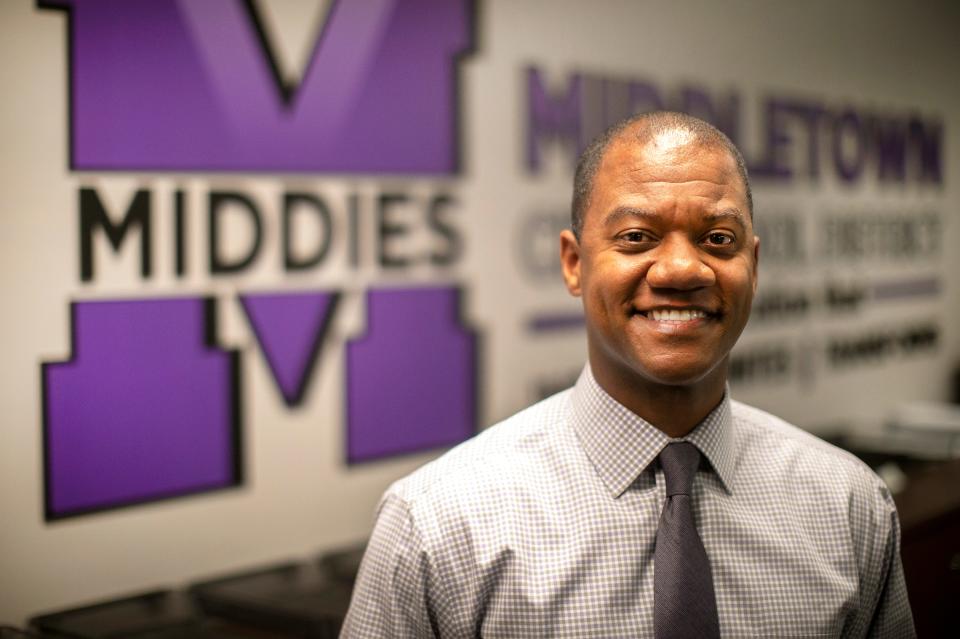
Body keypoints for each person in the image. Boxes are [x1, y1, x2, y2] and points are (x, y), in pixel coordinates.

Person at [340, 112, 915, 638]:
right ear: (573, 262)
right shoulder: (440, 526)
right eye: (636, 237)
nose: (683, 269)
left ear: (753, 266)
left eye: (718, 239)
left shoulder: (849, 505)